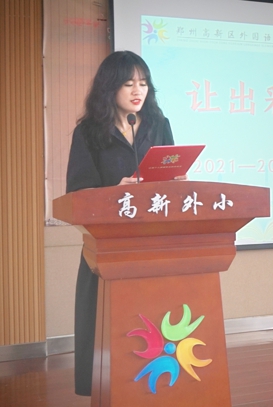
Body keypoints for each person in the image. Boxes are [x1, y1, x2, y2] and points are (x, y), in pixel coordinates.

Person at [65, 50, 186, 396]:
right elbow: (77, 194)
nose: (138, 91)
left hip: (152, 243)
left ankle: (157, 389)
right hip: (108, 248)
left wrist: (177, 182)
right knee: (111, 330)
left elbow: (171, 173)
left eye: (144, 83)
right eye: (129, 83)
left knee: (153, 325)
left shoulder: (158, 124)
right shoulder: (88, 132)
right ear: (110, 87)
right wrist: (113, 193)